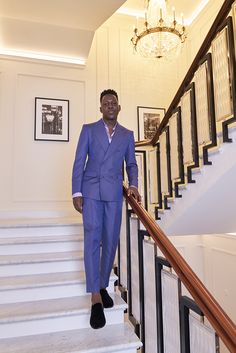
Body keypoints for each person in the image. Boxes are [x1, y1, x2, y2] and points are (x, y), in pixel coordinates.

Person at [72, 89, 141, 329]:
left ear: (119, 108)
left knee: (110, 241)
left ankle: (102, 284)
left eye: (113, 102)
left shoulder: (127, 135)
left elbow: (131, 164)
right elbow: (79, 160)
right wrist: (76, 191)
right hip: (90, 192)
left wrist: (133, 185)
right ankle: (95, 298)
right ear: (100, 108)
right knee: (92, 239)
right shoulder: (88, 130)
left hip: (113, 195)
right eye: (105, 103)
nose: (110, 105)